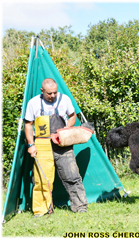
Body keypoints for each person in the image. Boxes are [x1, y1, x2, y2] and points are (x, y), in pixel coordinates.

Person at [25, 78, 88, 217]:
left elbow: (72, 116)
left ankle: (80, 206)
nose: (53, 96)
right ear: (42, 91)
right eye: (49, 93)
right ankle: (41, 210)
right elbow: (28, 124)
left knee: (72, 175)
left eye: (55, 92)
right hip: (42, 143)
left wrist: (66, 129)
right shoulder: (33, 103)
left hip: (62, 143)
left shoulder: (64, 99)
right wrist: (31, 144)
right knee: (41, 179)